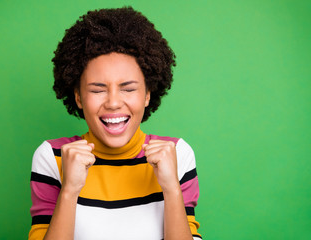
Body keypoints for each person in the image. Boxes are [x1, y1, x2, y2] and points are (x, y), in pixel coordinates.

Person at [28, 7, 202, 240]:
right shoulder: (52, 156)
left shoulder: (177, 155)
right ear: (78, 97)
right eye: (98, 89)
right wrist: (69, 191)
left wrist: (171, 189)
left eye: (128, 89)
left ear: (148, 94)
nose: (113, 103)